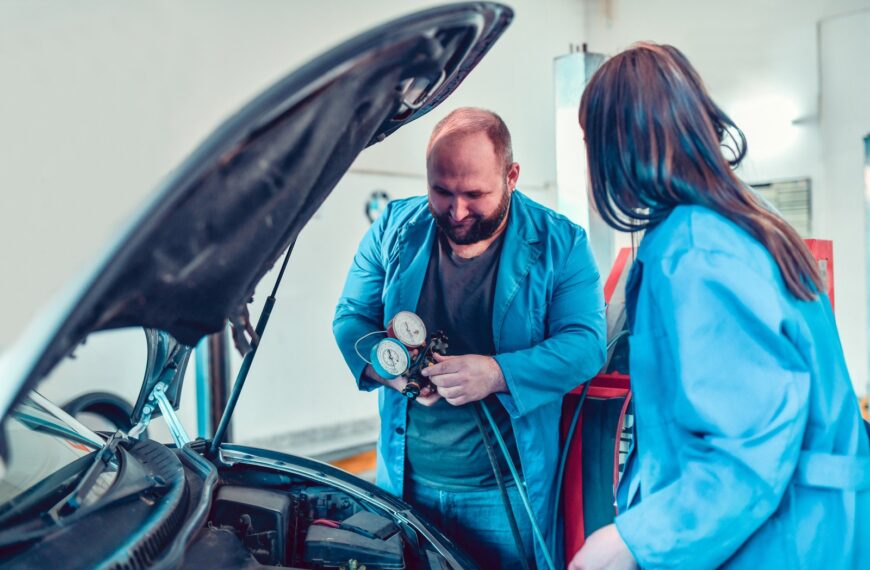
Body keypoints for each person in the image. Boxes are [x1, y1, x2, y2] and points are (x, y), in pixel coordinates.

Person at [568, 42, 870, 570]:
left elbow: (744, 449)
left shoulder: (696, 249)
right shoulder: (747, 218)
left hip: (780, 539)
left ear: (620, 144)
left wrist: (631, 541)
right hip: (818, 525)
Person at [333, 107, 606, 569]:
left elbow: (586, 344)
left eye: (475, 194)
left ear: (512, 175)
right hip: (405, 485)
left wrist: (499, 373)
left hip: (504, 496)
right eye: (442, 192)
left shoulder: (562, 244)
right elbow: (351, 318)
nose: (457, 211)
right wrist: (398, 377)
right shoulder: (393, 228)